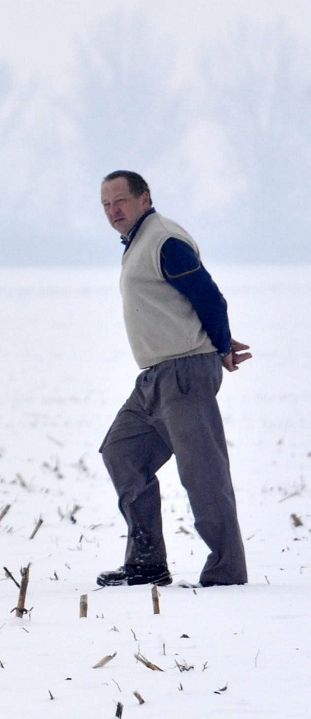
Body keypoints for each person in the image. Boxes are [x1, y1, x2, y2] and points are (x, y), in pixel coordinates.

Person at [96, 170, 251, 587]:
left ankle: (226, 573)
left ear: (144, 198)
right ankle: (147, 563)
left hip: (184, 372)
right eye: (107, 205)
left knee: (203, 475)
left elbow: (208, 296)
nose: (114, 211)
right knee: (121, 452)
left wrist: (219, 345)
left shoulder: (164, 241)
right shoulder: (139, 243)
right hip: (155, 377)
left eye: (121, 201)